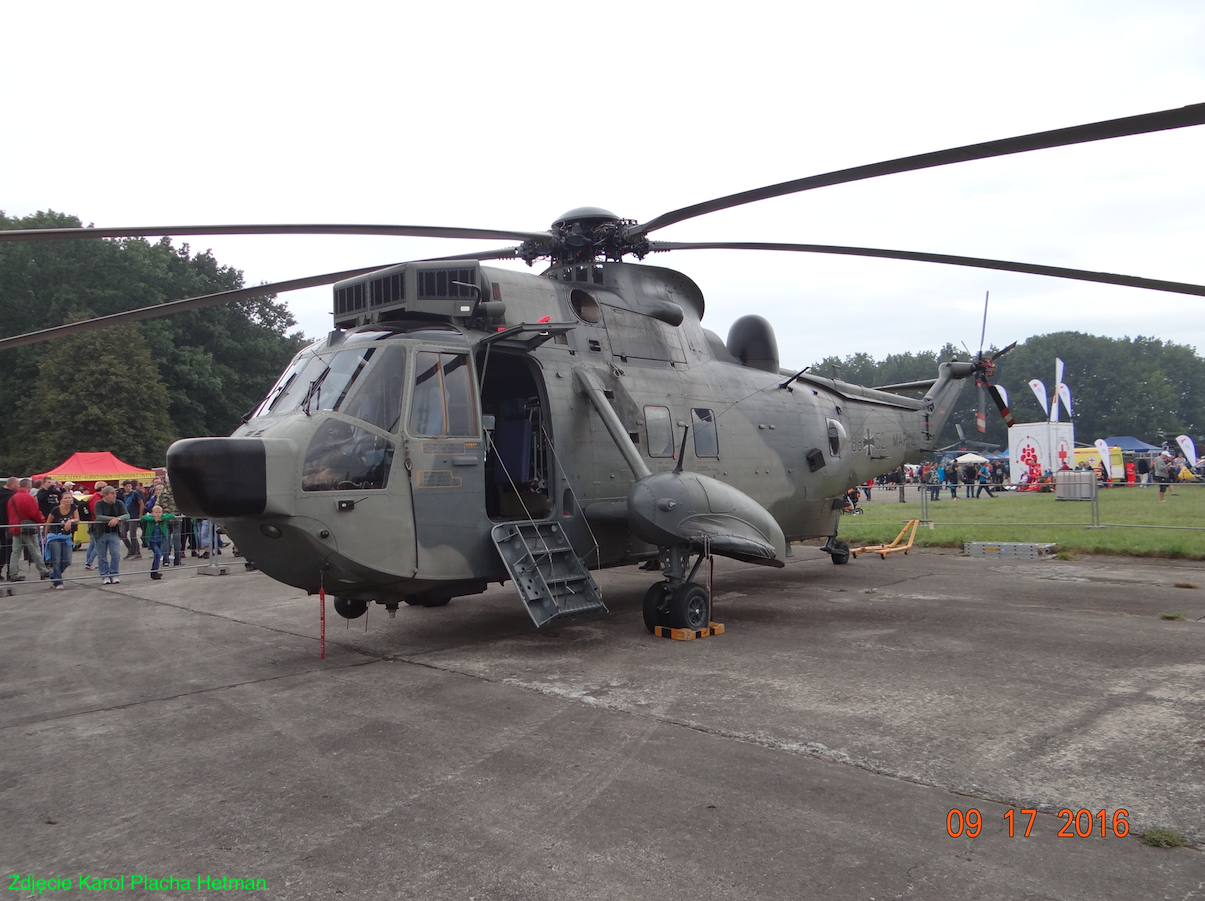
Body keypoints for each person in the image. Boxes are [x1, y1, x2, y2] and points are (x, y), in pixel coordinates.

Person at [7, 478, 50, 581]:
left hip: (15, 527)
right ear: (29, 487)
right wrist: (42, 520)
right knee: (35, 550)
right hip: (28, 527)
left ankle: (13, 574)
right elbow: (34, 513)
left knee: (15, 552)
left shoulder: (12, 498)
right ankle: (43, 571)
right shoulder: (28, 497)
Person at [90, 485, 129, 584]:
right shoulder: (98, 503)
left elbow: (127, 514)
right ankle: (105, 575)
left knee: (115, 554)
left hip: (113, 532)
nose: (114, 495)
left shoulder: (119, 503)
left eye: (115, 493)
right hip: (100, 533)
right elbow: (98, 516)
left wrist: (118, 519)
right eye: (112, 493)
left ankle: (114, 574)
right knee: (102, 556)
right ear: (105, 495)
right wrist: (112, 519)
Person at [44, 492, 79, 589]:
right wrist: (45, 536)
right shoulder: (56, 509)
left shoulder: (73, 507)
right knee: (57, 560)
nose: (68, 499)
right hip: (54, 536)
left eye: (70, 498)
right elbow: (48, 523)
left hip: (66, 536)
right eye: (66, 498)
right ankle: (58, 582)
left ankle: (53, 575)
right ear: (61, 500)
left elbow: (77, 518)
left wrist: (70, 521)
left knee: (67, 560)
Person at [140, 505, 175, 580]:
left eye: (159, 512)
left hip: (160, 540)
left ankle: (155, 571)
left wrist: (162, 518)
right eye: (156, 512)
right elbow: (143, 517)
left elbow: (171, 515)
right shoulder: (150, 519)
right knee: (158, 554)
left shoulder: (162, 518)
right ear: (152, 513)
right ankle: (154, 571)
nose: (158, 514)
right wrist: (153, 519)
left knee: (158, 556)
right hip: (152, 541)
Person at [122, 480, 145, 560]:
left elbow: (141, 503)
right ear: (124, 487)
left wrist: (140, 514)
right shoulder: (124, 495)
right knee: (122, 534)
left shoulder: (135, 493)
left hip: (133, 516)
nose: (128, 488)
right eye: (126, 486)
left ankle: (137, 552)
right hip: (127, 516)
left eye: (129, 486)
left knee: (133, 535)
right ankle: (131, 550)